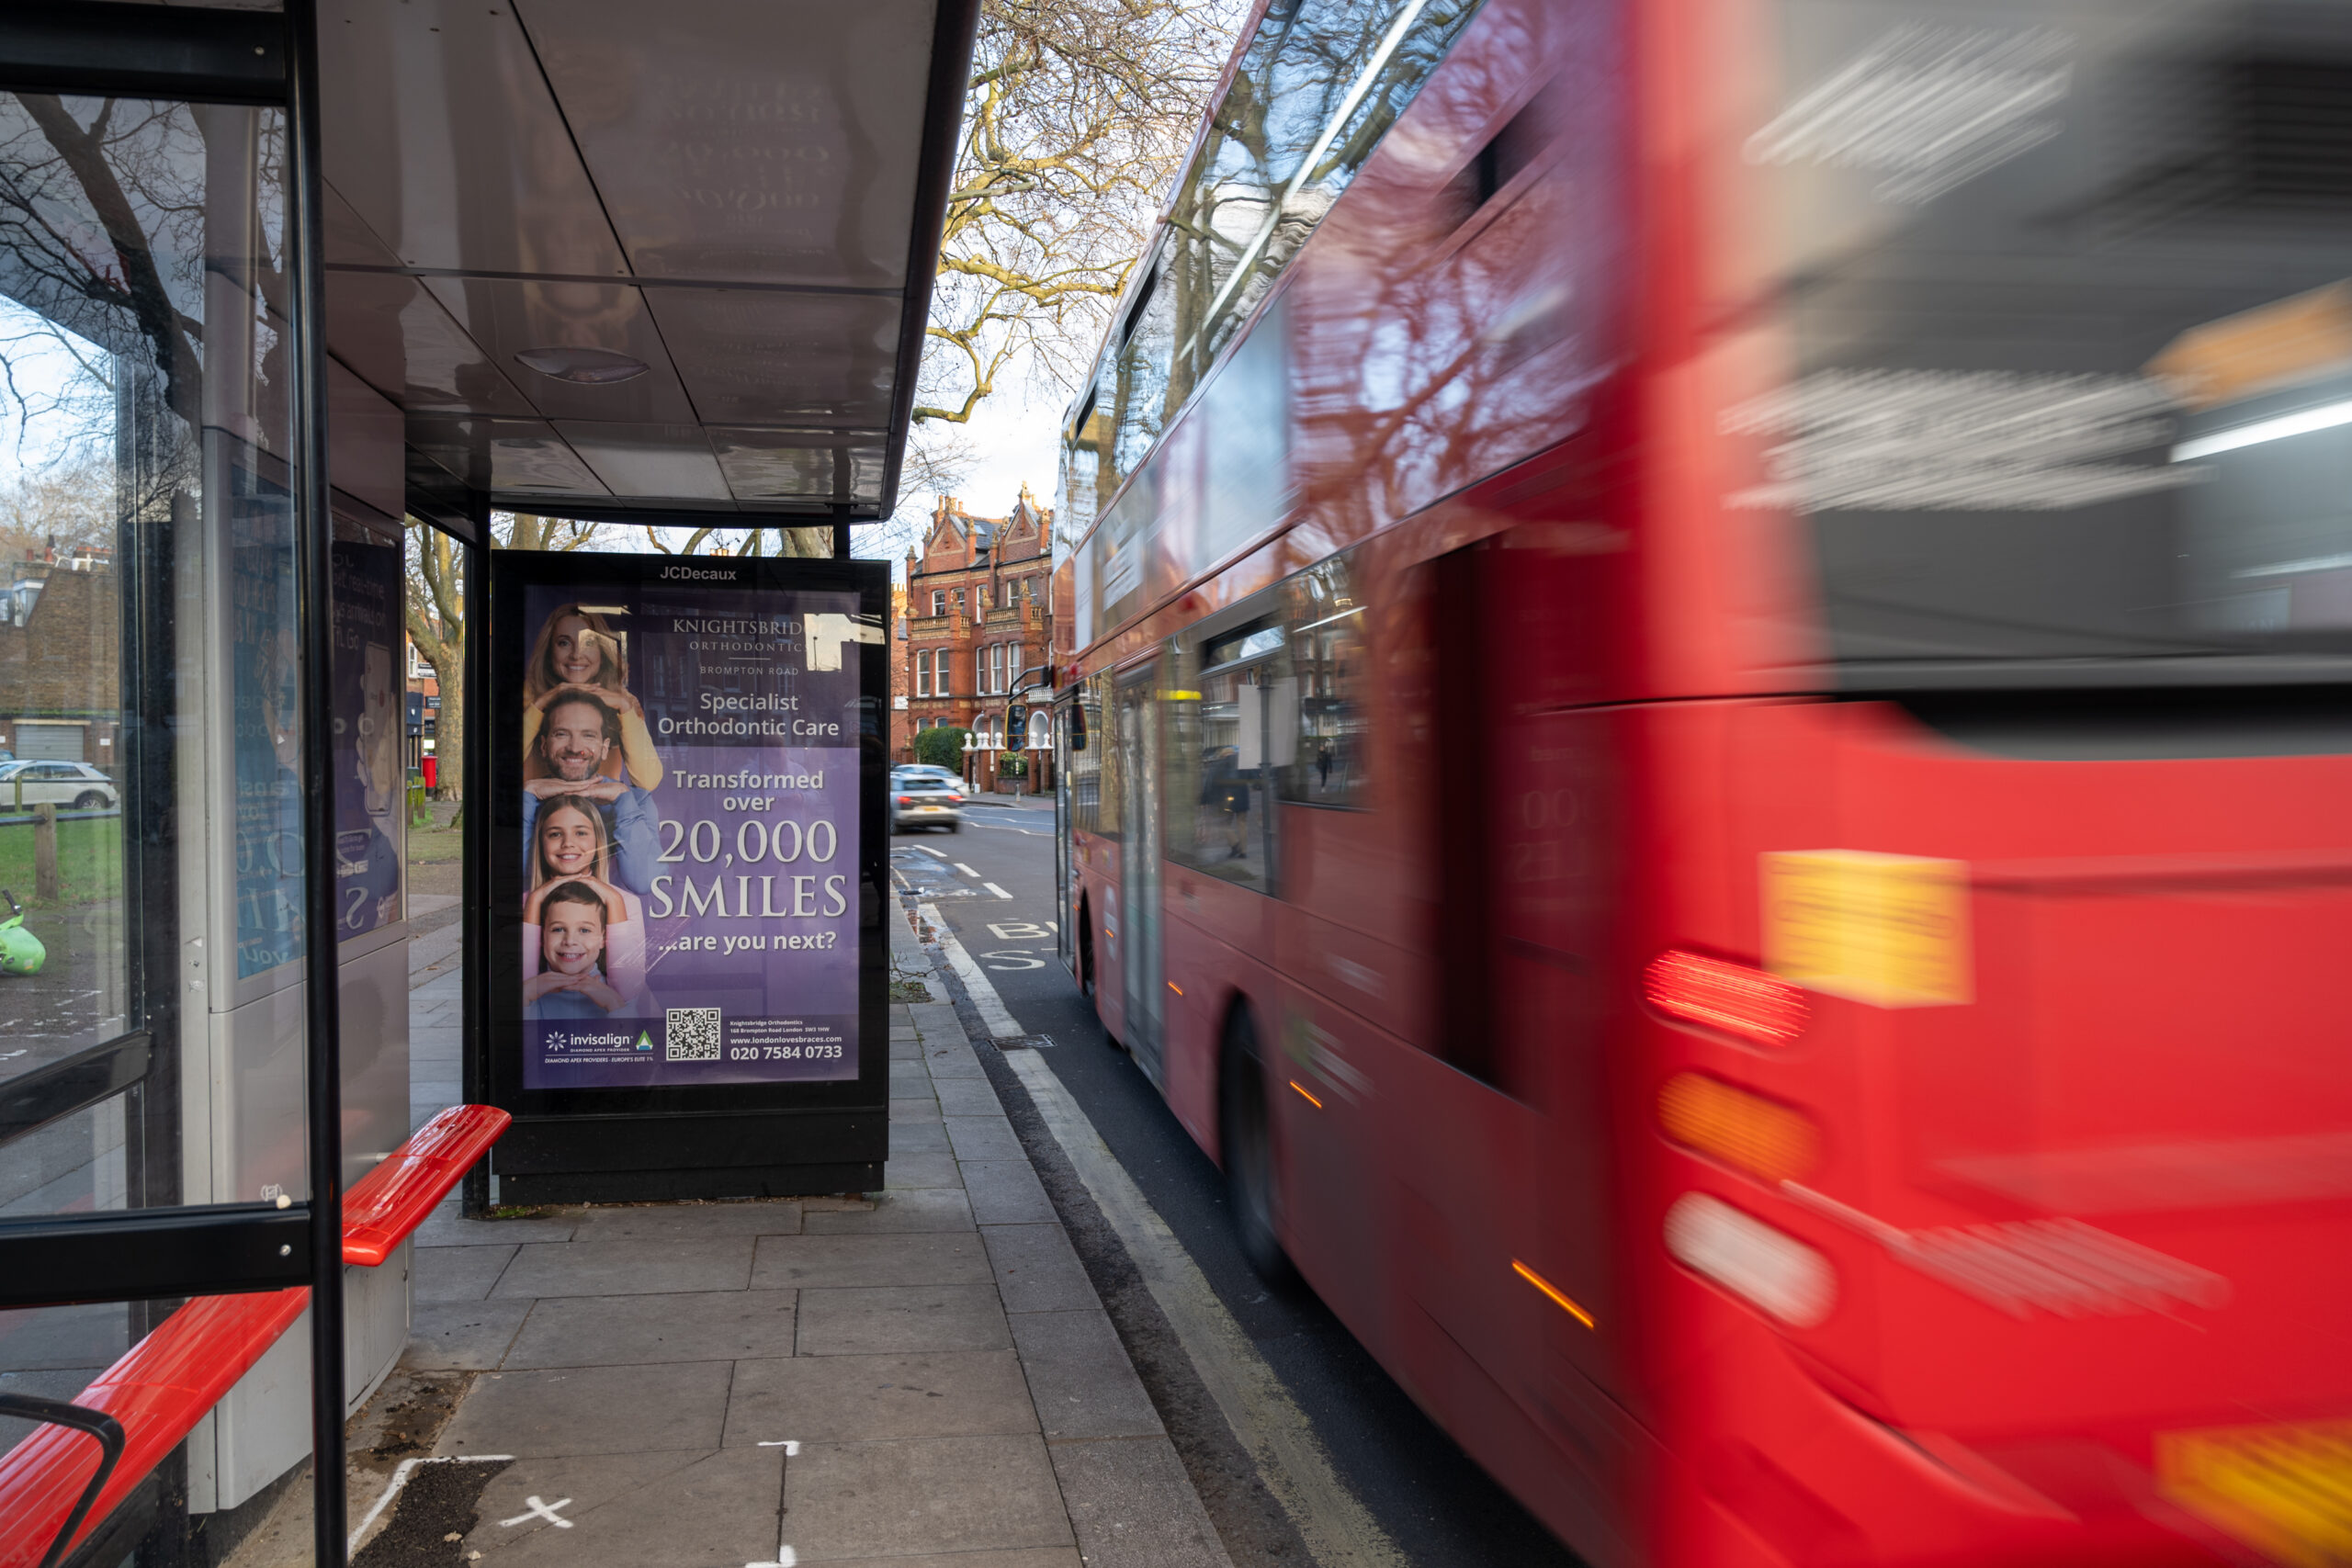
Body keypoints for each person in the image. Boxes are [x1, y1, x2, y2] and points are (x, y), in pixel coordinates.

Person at [522, 693, 662, 893]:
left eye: (588, 735)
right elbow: (513, 873)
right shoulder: (527, 799)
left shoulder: (635, 801)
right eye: (561, 734)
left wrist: (623, 799)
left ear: (604, 748)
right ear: (544, 746)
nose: (575, 747)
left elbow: (644, 881)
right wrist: (528, 794)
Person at [522, 604, 663, 789]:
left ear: (602, 651)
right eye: (564, 643)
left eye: (589, 643)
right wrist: (540, 704)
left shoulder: (623, 702)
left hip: (597, 814)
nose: (576, 655)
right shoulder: (529, 697)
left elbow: (648, 781)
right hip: (539, 813)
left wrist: (624, 707)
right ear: (549, 651)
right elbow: (501, 767)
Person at [523, 793, 647, 1002]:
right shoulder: (527, 902)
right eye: (555, 834)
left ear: (598, 840)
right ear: (541, 842)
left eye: (580, 833)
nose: (568, 843)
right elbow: (520, 991)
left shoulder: (625, 902)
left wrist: (614, 902)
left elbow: (628, 992)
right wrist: (534, 902)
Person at [525, 881, 628, 1019]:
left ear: (602, 939)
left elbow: (640, 1038)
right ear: (543, 937)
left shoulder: (623, 992)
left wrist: (614, 1004)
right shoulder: (529, 992)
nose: (570, 941)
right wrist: (523, 995)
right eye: (558, 929)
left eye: (584, 930)